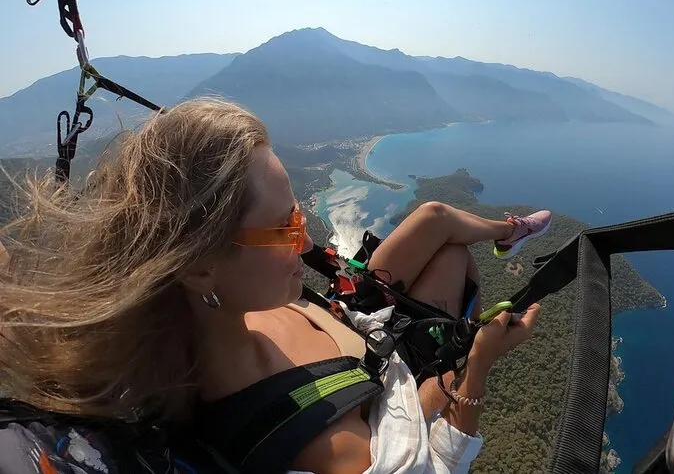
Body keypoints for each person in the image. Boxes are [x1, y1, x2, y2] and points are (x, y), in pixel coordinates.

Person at [0, 97, 552, 474]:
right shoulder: (323, 443)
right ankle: (505, 244)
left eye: (299, 214)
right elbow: (438, 463)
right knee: (457, 259)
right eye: (285, 225)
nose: (305, 236)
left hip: (355, 314)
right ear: (201, 267)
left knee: (435, 220)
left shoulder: (216, 307)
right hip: (399, 364)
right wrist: (478, 364)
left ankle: (508, 233)